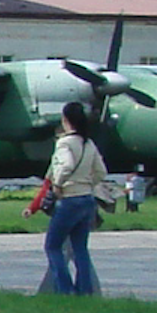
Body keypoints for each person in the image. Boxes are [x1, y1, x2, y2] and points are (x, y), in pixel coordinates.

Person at [42, 101, 107, 295]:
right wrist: (87, 183)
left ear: (66, 120)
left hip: (69, 198)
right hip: (87, 197)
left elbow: (66, 165)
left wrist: (58, 184)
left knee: (53, 246)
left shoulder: (64, 143)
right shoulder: (89, 143)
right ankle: (85, 289)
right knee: (80, 248)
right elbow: (101, 171)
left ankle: (65, 288)